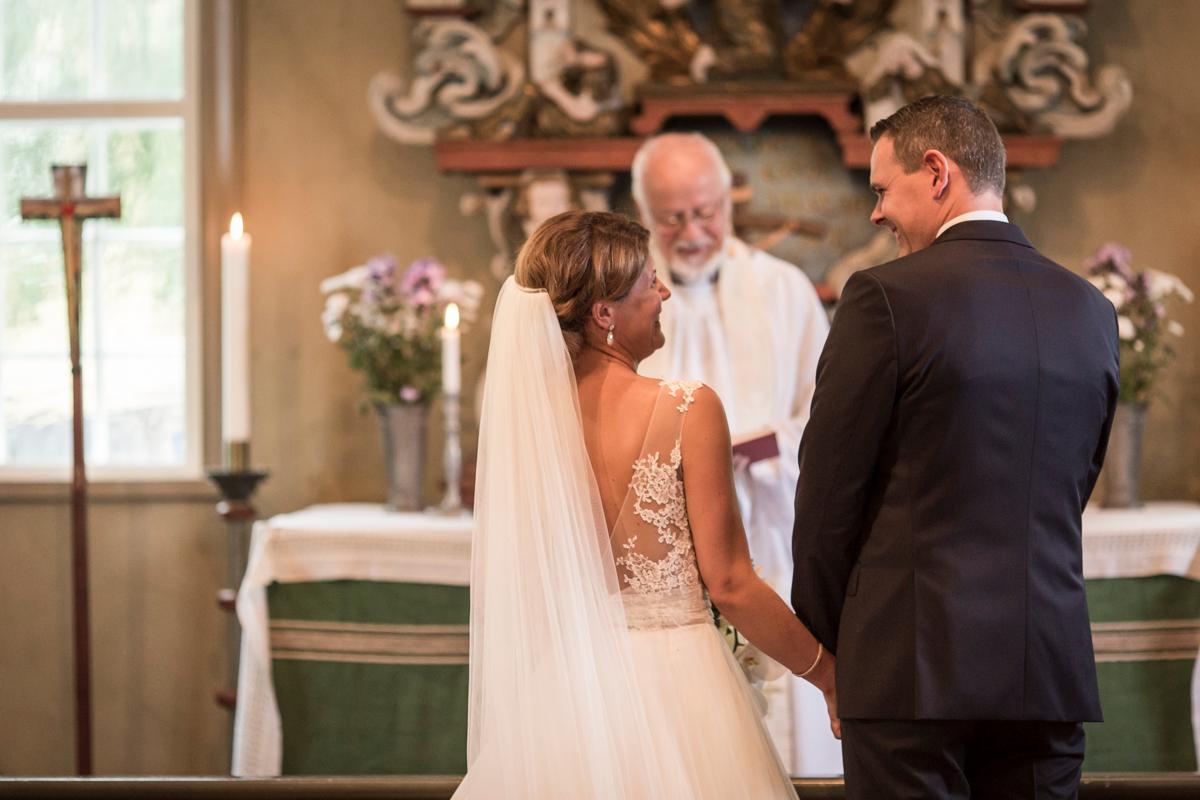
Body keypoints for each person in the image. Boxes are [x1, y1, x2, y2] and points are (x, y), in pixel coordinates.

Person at [791, 95, 1119, 799]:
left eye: (883, 190)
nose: (876, 213)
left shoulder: (883, 298)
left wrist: (830, 650)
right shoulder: (1091, 310)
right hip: (1045, 671)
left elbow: (826, 497)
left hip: (910, 669)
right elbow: (1074, 486)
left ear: (936, 172)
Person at [456, 210, 837, 799]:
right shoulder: (688, 407)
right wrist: (827, 675)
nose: (663, 292)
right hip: (682, 691)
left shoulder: (527, 429)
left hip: (569, 697)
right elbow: (731, 585)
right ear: (604, 313)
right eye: (647, 282)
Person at [632, 131, 836, 774]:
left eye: (706, 213)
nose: (692, 232)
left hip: (772, 538)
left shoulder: (785, 290)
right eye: (672, 218)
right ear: (644, 213)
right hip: (668, 558)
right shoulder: (626, 299)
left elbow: (828, 417)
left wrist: (771, 446)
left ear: (728, 202)